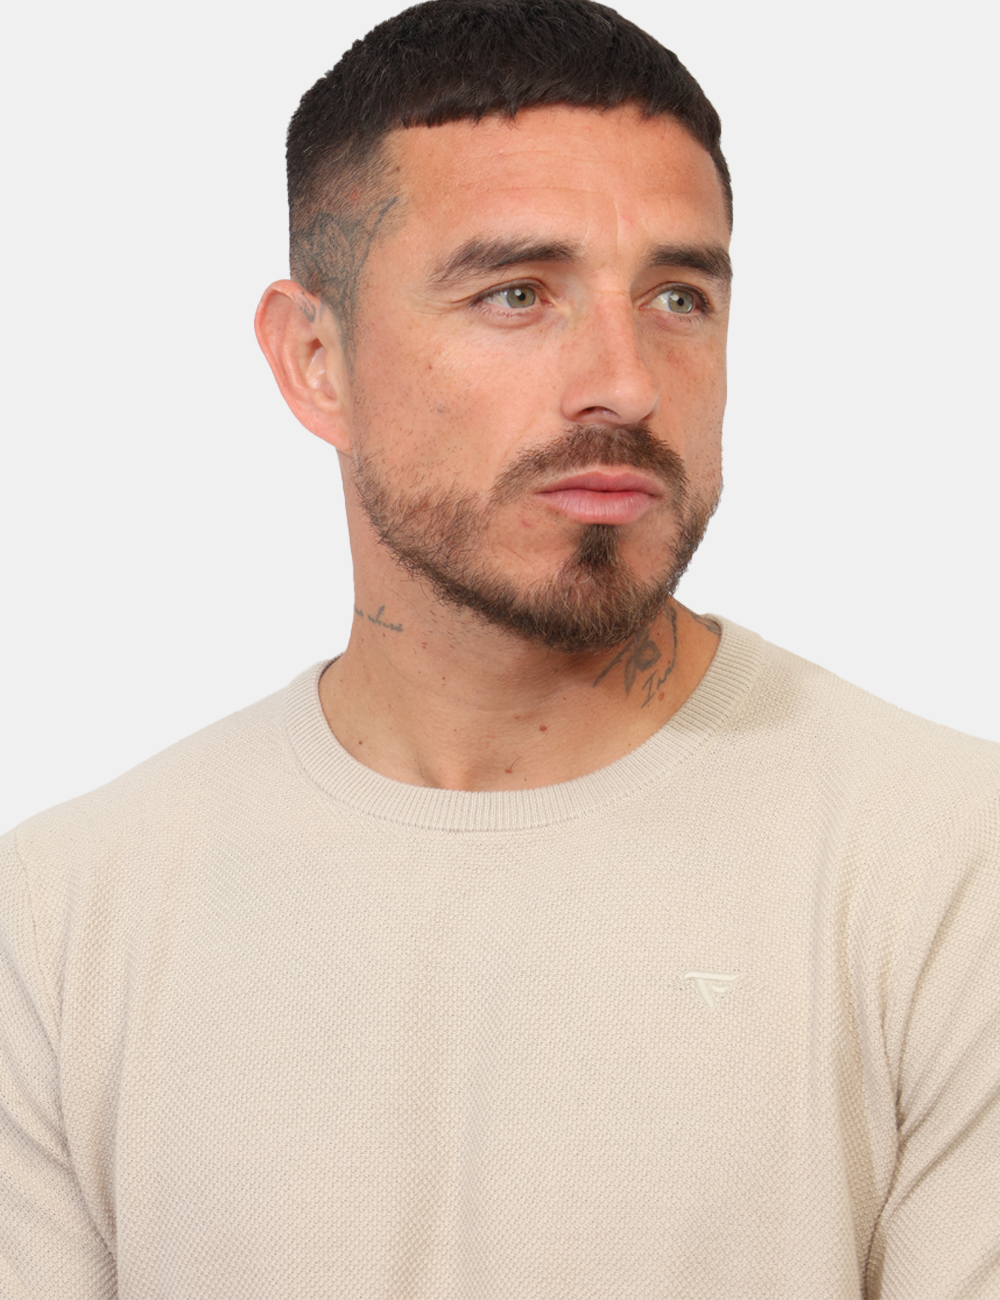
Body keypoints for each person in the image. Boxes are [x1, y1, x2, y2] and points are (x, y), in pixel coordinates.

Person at [1, 0, 997, 1296]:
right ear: (315, 359)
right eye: (517, 294)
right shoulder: (63, 921)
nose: (627, 381)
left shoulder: (952, 870)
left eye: (679, 296)